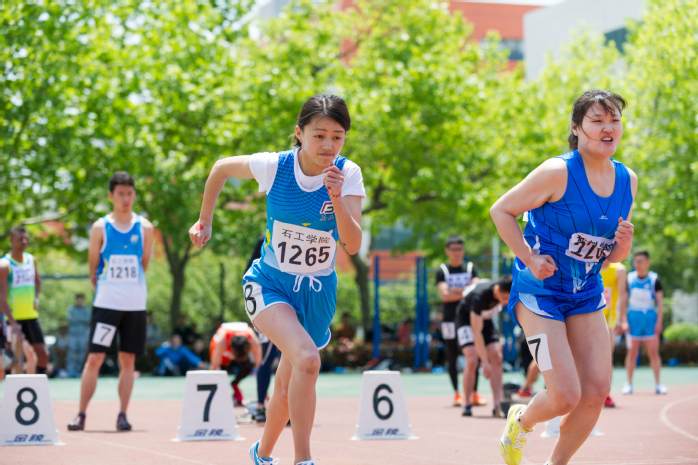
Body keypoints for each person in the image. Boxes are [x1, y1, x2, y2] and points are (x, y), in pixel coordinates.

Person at [189, 93, 364, 465]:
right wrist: (205, 220)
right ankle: (304, 459)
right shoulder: (276, 166)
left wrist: (335, 197)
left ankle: (262, 453)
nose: (328, 145)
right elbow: (220, 167)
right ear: (299, 133)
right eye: (319, 135)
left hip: (317, 293)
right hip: (269, 285)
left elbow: (351, 244)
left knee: (286, 386)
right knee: (308, 360)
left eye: (337, 136)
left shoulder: (347, 174)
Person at [491, 90, 636, 465]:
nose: (608, 128)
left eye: (614, 120)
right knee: (565, 395)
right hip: (539, 293)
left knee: (597, 390)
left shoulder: (627, 180)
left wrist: (623, 245)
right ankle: (520, 422)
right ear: (576, 128)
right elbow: (501, 211)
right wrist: (529, 257)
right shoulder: (557, 171)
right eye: (597, 120)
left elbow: (609, 258)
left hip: (585, 292)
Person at [68, 171, 155, 432]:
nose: (126, 198)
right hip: (106, 304)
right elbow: (93, 268)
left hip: (135, 305)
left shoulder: (145, 228)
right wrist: (109, 289)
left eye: (130, 193)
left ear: (134, 195)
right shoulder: (100, 227)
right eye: (120, 194)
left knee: (127, 360)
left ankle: (122, 414)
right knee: (94, 358)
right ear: (111, 196)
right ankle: (81, 414)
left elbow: (144, 263)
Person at [435, 235, 481, 407]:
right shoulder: (442, 271)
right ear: (447, 251)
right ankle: (457, 393)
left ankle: (474, 393)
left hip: (469, 318)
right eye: (453, 249)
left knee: (473, 355)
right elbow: (444, 296)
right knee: (452, 354)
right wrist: (465, 290)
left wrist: (455, 291)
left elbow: (475, 290)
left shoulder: (470, 268)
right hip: (449, 320)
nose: (456, 252)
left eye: (459, 249)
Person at [456, 276, 511, 418]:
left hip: (486, 321)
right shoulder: (479, 297)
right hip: (467, 321)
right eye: (504, 298)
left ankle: (498, 403)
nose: (505, 303)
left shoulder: (506, 288)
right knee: (472, 358)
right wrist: (484, 363)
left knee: (497, 357)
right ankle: (467, 402)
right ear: (497, 290)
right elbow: (476, 331)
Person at [0, 226, 49, 375]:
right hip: (11, 319)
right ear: (11, 240)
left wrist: (36, 298)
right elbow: (1, 296)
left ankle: (35, 388)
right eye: (20, 239)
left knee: (43, 355)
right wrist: (12, 323)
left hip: (30, 316)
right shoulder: (4, 265)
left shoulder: (31, 260)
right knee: (10, 362)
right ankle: (10, 395)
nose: (24, 242)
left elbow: (38, 281)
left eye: (26, 239)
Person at [620, 250, 666, 395]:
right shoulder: (629, 278)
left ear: (647, 262)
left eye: (640, 261)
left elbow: (660, 304)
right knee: (632, 352)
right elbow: (623, 300)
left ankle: (658, 384)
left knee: (653, 352)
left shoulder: (654, 279)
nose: (637, 264)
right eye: (635, 261)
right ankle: (629, 384)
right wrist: (623, 321)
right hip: (633, 319)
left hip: (650, 320)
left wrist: (659, 323)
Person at [209, 321, 262, 405]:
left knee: (248, 366)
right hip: (224, 349)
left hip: (239, 346)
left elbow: (260, 368)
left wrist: (263, 393)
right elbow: (213, 367)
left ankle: (235, 383)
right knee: (219, 371)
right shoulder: (221, 343)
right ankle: (221, 394)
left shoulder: (254, 342)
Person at [599, 259, 627, 406]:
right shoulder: (589, 265)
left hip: (609, 318)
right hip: (590, 314)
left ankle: (606, 394)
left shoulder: (619, 270)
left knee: (607, 356)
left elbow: (622, 295)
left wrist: (623, 319)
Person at [67, 294, 91, 377]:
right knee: (71, 354)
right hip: (73, 335)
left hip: (83, 335)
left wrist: (76, 318)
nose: (79, 301)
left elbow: (88, 319)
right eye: (78, 299)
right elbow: (70, 319)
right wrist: (81, 319)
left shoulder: (86, 310)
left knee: (82, 354)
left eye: (81, 299)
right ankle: (71, 372)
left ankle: (79, 371)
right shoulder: (71, 309)